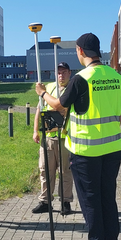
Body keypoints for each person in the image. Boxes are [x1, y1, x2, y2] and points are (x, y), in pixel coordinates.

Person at [35, 33, 121, 240]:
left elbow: (59, 106)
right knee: (109, 200)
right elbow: (120, 113)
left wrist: (42, 93)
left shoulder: (80, 79)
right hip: (113, 149)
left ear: (81, 52)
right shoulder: (116, 77)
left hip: (86, 151)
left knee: (90, 202)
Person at [32, 62, 74, 216]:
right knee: (45, 170)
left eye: (64, 72)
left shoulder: (71, 88)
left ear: (70, 73)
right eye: (59, 73)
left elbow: (60, 107)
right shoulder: (49, 88)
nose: (61, 75)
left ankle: (65, 201)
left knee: (65, 171)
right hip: (48, 137)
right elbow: (40, 109)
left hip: (64, 137)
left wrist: (43, 93)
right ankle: (45, 201)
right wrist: (35, 130)